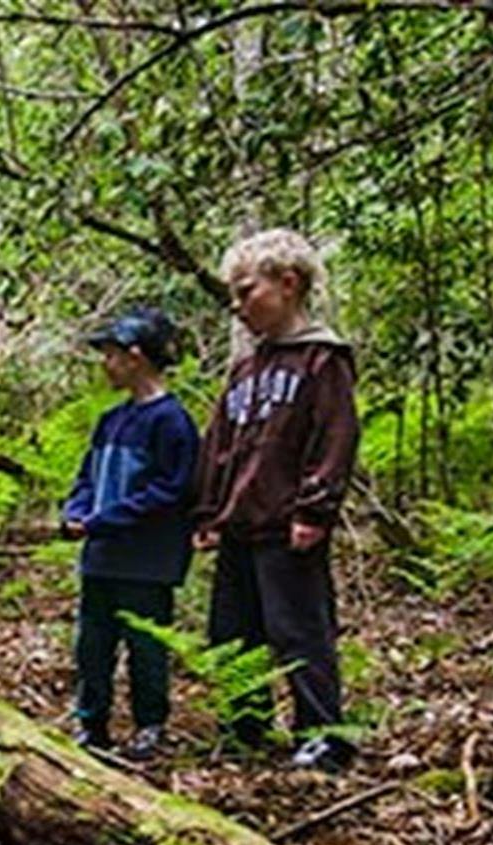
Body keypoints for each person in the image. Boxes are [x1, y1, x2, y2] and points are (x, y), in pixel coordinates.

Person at [192, 229, 360, 771]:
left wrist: (316, 508)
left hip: (288, 524)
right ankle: (245, 726)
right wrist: (208, 511)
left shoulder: (321, 359)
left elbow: (335, 436)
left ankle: (324, 735)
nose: (238, 307)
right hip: (240, 521)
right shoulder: (246, 368)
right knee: (232, 633)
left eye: (246, 292)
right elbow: (220, 445)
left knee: (299, 631)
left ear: (288, 284)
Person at [59, 307, 200, 762]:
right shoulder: (110, 421)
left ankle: (149, 726)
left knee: (147, 647)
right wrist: (76, 511)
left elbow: (171, 491)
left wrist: (104, 519)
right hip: (101, 557)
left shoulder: (172, 422)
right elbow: (86, 476)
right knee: (92, 646)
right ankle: (91, 724)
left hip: (148, 561)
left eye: (111, 354)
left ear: (136, 357)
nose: (105, 363)